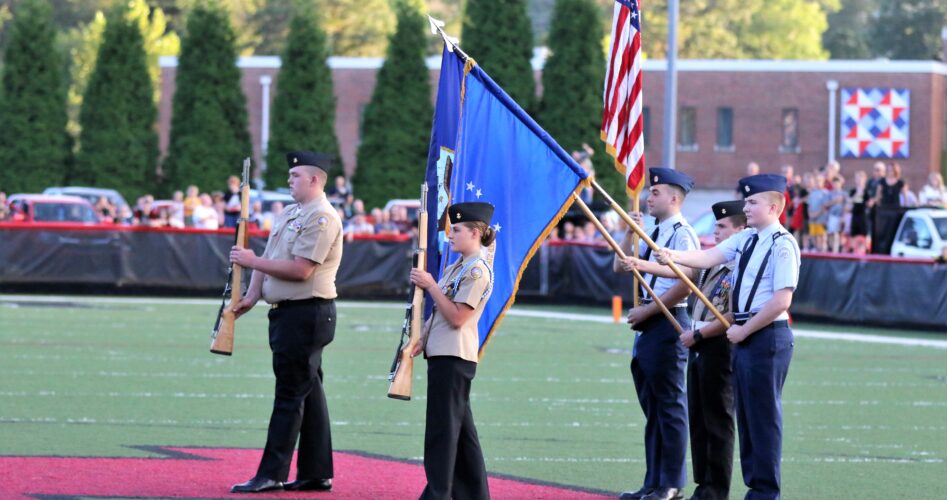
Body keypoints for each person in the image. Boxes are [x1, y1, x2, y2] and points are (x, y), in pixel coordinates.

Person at [657, 174, 800, 500]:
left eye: (753, 202)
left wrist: (744, 329)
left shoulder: (782, 244)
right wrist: (673, 256)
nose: (746, 207)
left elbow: (782, 300)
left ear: (774, 207)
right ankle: (755, 489)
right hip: (746, 335)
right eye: (746, 201)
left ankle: (765, 493)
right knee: (748, 420)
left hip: (766, 334)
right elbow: (709, 257)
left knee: (763, 419)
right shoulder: (747, 239)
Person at [228, 151, 343, 493]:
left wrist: (251, 261)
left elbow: (301, 269)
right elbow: (269, 258)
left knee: (289, 395)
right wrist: (252, 295)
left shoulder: (321, 217)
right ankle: (316, 472)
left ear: (314, 179)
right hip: (289, 313)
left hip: (307, 313)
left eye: (295, 176)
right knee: (309, 395)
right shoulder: (290, 213)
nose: (289, 181)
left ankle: (271, 473)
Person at [622, 200, 746, 500]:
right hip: (698, 338)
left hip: (712, 340)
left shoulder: (736, 263)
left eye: (722, 226)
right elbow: (687, 271)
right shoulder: (713, 259)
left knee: (707, 417)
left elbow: (689, 282)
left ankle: (684, 485)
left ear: (740, 231)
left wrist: (645, 272)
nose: (715, 231)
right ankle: (673, 484)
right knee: (687, 417)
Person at [616, 168, 699, 500]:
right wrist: (628, 232)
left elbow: (687, 280)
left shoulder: (682, 233)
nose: (648, 198)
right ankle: (653, 482)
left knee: (670, 406)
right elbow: (620, 265)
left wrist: (648, 311)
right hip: (648, 323)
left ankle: (671, 483)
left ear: (674, 198)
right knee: (652, 408)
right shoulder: (653, 230)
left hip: (668, 321)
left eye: (655, 192)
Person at [408, 202, 496, 500]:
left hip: (454, 357)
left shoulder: (476, 271)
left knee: (442, 433)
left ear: (475, 233)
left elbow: (458, 317)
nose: (450, 235)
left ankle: (438, 495)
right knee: (462, 434)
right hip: (444, 354)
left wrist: (431, 286)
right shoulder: (458, 266)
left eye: (456, 230)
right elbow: (440, 314)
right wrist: (421, 338)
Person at [848, 171, 870, 251]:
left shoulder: (867, 191)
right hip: (855, 214)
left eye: (861, 179)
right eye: (857, 179)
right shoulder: (853, 191)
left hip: (863, 215)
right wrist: (857, 194)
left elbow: (869, 203)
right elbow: (850, 201)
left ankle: (866, 249)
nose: (859, 181)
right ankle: (852, 249)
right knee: (853, 234)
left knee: (864, 234)